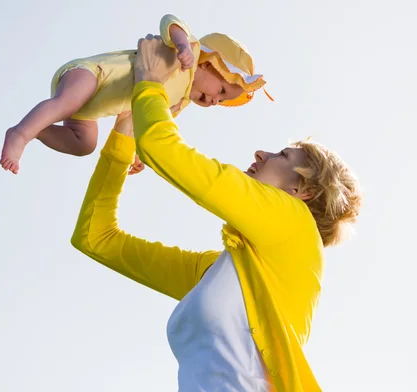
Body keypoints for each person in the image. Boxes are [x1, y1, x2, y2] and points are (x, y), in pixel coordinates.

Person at [70, 35, 362, 391]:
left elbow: (165, 151)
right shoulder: (221, 274)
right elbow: (96, 238)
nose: (261, 154)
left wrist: (150, 85)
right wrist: (124, 131)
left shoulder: (295, 222)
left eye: (283, 156)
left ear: (303, 192)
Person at [0, 14, 269, 175]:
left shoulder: (180, 101)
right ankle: (20, 133)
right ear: (211, 63)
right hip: (93, 74)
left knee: (85, 145)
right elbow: (171, 22)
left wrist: (138, 153)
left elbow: (148, 121)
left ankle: (37, 129)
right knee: (69, 101)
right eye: (220, 90)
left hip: (89, 111)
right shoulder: (190, 52)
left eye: (221, 101)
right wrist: (183, 45)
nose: (214, 100)